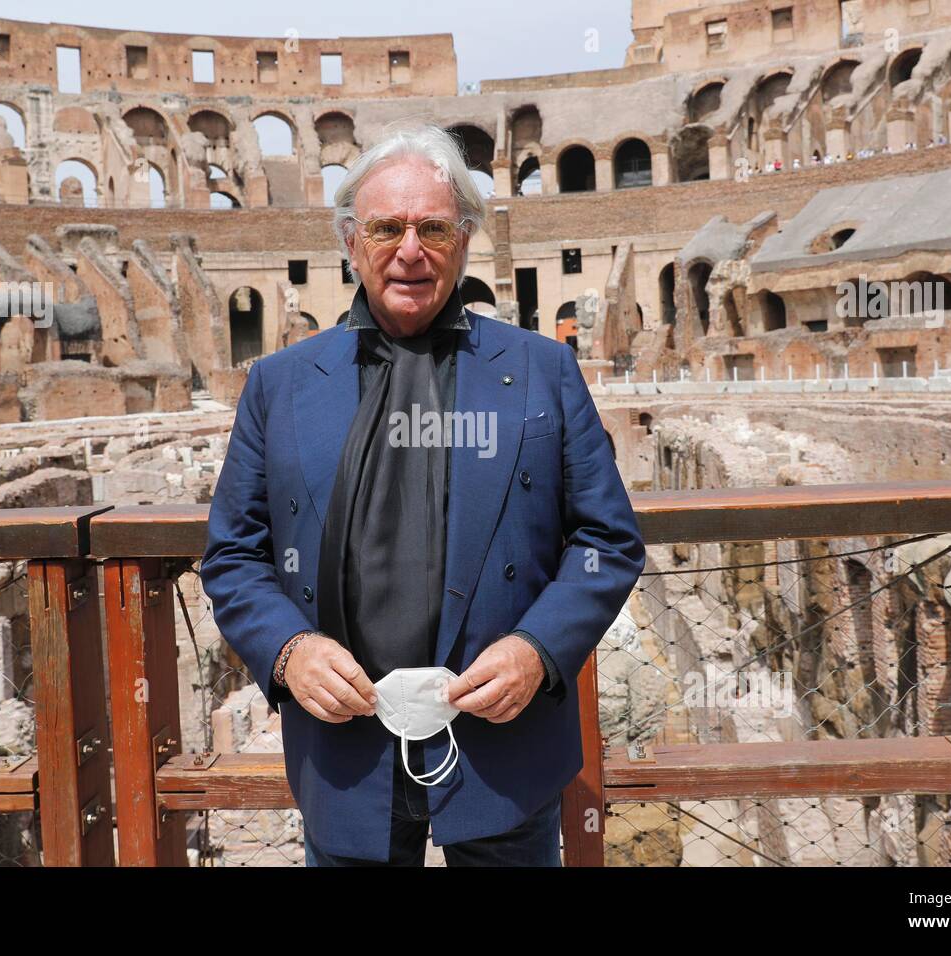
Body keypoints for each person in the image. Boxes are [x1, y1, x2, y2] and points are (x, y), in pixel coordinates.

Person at [200, 123, 645, 866]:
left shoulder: (544, 371)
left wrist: (539, 650)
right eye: (386, 228)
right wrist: (288, 651)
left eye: (433, 227)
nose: (411, 250)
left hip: (501, 747)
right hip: (345, 751)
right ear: (350, 241)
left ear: (465, 239)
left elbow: (607, 540)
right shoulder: (277, 386)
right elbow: (234, 556)